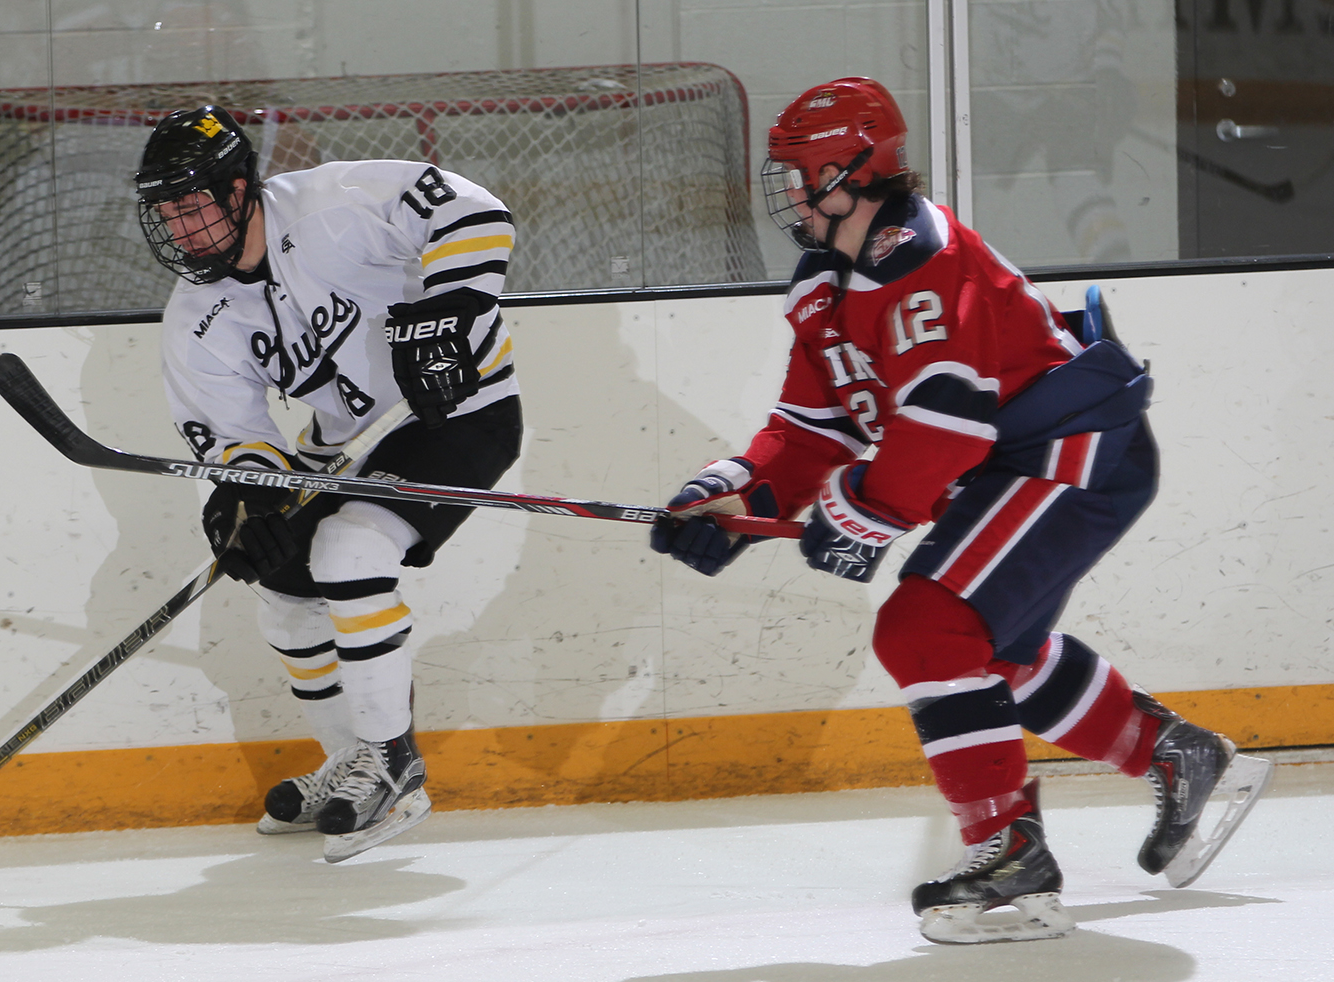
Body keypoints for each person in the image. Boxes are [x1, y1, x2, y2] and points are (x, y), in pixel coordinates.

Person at [648, 77, 1273, 944]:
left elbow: (946, 419)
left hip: (1071, 453)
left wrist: (862, 513)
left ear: (850, 170)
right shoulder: (825, 283)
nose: (788, 194)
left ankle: (1007, 847)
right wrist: (729, 496)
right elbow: (808, 429)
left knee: (927, 628)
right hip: (1012, 463)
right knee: (990, 651)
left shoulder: (922, 257)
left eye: (800, 174)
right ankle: (1170, 751)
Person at [133, 107, 522, 863]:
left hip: (459, 412)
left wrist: (448, 307)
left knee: (348, 550)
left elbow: (475, 210)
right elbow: (240, 438)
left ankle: (395, 761)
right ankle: (352, 761)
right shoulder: (195, 319)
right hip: (347, 448)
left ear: (237, 187)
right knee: (281, 579)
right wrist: (248, 496)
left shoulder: (332, 206)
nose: (179, 229)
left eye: (191, 206)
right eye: (166, 214)